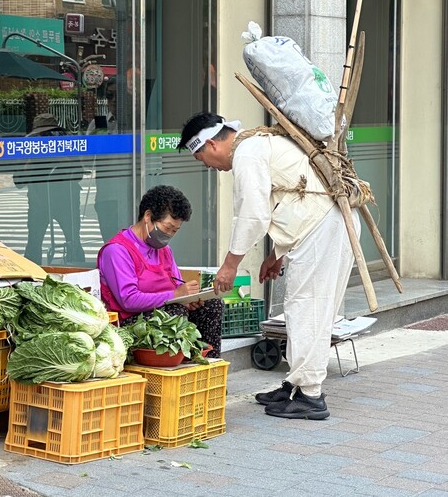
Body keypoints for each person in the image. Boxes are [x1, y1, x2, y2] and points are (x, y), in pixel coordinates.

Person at [178, 113, 361, 419]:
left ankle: (311, 396)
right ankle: (294, 384)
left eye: (202, 158)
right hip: (323, 228)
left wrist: (229, 265)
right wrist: (276, 254)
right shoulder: (257, 144)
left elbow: (253, 213)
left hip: (324, 230)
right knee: (304, 308)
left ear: (211, 144)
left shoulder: (248, 153)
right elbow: (288, 199)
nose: (208, 167)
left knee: (308, 309)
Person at [97, 184, 224, 357]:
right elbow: (128, 299)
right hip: (129, 324)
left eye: (175, 231)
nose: (170, 234)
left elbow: (177, 287)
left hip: (165, 313)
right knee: (174, 315)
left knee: (212, 305)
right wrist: (175, 297)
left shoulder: (164, 250)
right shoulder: (117, 251)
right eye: (167, 228)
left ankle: (209, 366)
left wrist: (189, 299)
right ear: (148, 216)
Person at [13, 113, 85, 265]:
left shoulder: (66, 145)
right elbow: (18, 180)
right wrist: (30, 162)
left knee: (73, 241)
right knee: (34, 242)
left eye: (50, 134)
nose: (46, 139)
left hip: (67, 201)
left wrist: (64, 161)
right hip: (39, 202)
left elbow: (78, 173)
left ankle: (80, 269)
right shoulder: (29, 149)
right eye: (42, 135)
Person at [86, 77, 119, 241]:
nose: (113, 101)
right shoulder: (99, 124)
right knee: (110, 244)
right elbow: (86, 162)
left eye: (117, 96)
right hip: (106, 196)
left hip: (132, 195)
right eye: (109, 96)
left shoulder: (138, 124)